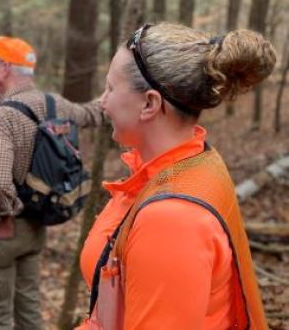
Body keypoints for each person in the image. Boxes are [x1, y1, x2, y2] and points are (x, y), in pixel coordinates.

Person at [80, 23, 274, 329]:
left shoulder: (170, 218)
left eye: (111, 88)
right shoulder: (189, 163)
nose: (102, 102)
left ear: (150, 103)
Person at [0, 36, 105, 329]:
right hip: (37, 223)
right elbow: (93, 114)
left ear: (5, 67)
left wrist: (3, 216)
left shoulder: (0, 118)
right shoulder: (54, 103)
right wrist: (113, 93)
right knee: (29, 310)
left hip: (0, 229)